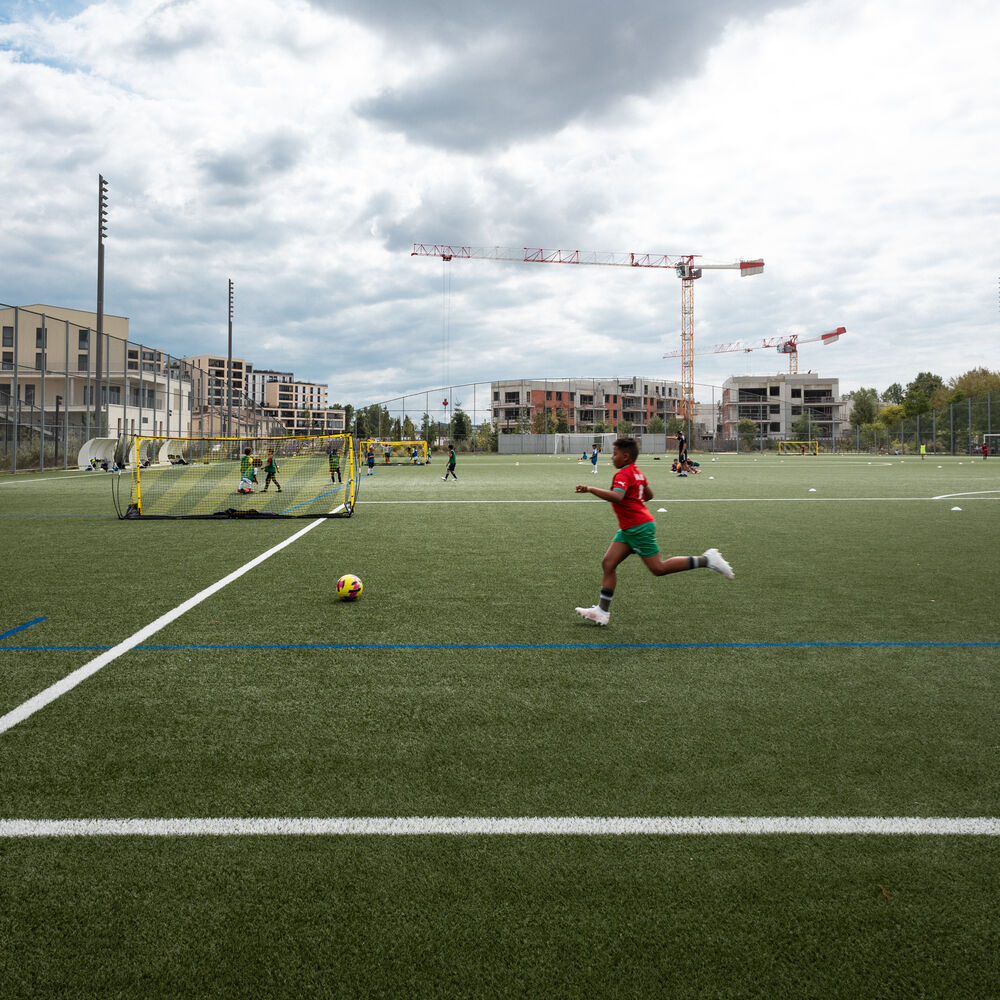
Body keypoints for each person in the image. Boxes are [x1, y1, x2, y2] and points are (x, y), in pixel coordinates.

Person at [573, 437, 734, 626]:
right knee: (608, 563)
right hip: (630, 528)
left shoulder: (623, 474)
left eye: (615, 454)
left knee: (659, 568)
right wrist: (634, 504)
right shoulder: (637, 472)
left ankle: (707, 560)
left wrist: (591, 489)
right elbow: (648, 495)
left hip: (637, 527)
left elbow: (617, 496)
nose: (611, 457)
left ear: (625, 457)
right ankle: (602, 611)